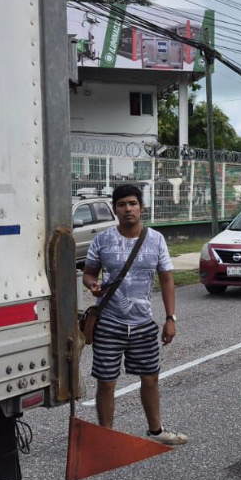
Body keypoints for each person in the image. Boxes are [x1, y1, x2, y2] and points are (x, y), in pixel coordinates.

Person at [82, 184, 188, 446]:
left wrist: (171, 318)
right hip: (109, 324)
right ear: (115, 210)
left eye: (132, 203)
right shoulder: (103, 239)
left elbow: (166, 280)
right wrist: (91, 284)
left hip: (143, 324)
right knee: (106, 382)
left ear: (141, 208)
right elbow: (88, 273)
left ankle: (156, 431)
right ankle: (106, 437)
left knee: (150, 379)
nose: (128, 209)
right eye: (122, 204)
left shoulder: (156, 239)